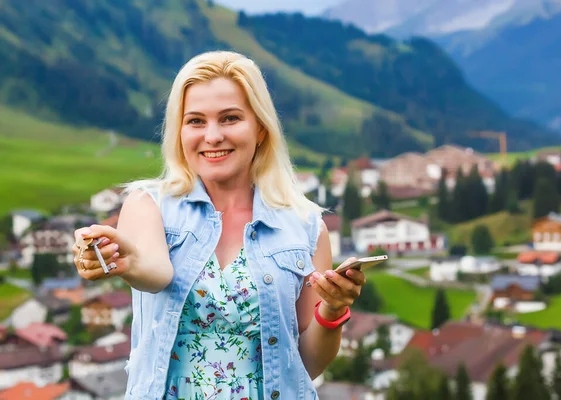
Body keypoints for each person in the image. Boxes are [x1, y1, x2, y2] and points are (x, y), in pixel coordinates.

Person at [72, 51, 366, 400]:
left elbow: (305, 364)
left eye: (229, 118)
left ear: (260, 128)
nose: (212, 136)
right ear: (179, 131)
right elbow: (156, 272)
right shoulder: (148, 204)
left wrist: (333, 310)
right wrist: (127, 262)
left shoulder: (305, 227)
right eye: (195, 121)